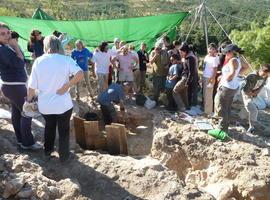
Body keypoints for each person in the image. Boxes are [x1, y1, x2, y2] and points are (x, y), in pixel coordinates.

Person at [27, 35, 84, 162]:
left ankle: (47, 151)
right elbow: (80, 73)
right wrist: (67, 85)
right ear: (59, 45)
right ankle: (64, 157)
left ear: (46, 46)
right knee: (63, 131)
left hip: (45, 105)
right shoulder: (65, 59)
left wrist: (28, 101)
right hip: (63, 104)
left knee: (49, 127)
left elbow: (31, 87)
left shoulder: (38, 61)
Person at [0, 22, 41, 150]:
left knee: (17, 112)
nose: (7, 36)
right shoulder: (3, 49)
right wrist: (16, 46)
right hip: (15, 86)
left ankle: (20, 139)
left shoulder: (5, 47)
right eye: (2, 34)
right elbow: (20, 63)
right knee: (27, 112)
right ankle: (27, 143)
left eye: (8, 32)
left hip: (11, 86)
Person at [214, 44, 243, 133]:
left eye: (227, 52)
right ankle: (224, 126)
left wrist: (225, 79)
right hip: (233, 87)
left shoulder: (232, 60)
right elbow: (244, 67)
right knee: (226, 108)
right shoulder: (238, 59)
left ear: (231, 52)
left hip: (227, 87)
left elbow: (232, 72)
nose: (225, 54)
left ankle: (221, 129)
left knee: (221, 107)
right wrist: (226, 76)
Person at [241, 64, 270, 133]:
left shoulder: (265, 76)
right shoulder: (252, 76)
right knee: (253, 108)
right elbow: (246, 90)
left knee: (250, 107)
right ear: (261, 70)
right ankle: (252, 127)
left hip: (254, 93)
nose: (265, 76)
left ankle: (241, 120)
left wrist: (256, 92)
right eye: (264, 74)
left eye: (267, 74)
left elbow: (262, 85)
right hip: (246, 93)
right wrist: (252, 94)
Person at [179, 43, 199, 108]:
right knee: (188, 92)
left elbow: (191, 71)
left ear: (185, 51)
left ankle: (191, 105)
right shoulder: (185, 57)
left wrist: (188, 82)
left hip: (191, 77)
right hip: (188, 76)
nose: (180, 54)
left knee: (191, 91)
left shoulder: (190, 58)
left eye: (181, 52)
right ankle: (189, 105)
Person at [202, 43, 219, 116]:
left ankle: (208, 112)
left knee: (208, 95)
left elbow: (215, 70)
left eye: (212, 48)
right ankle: (205, 109)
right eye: (209, 48)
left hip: (210, 78)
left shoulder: (215, 59)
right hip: (204, 76)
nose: (210, 50)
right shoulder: (206, 57)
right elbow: (204, 67)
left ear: (215, 50)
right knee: (204, 94)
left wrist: (212, 80)